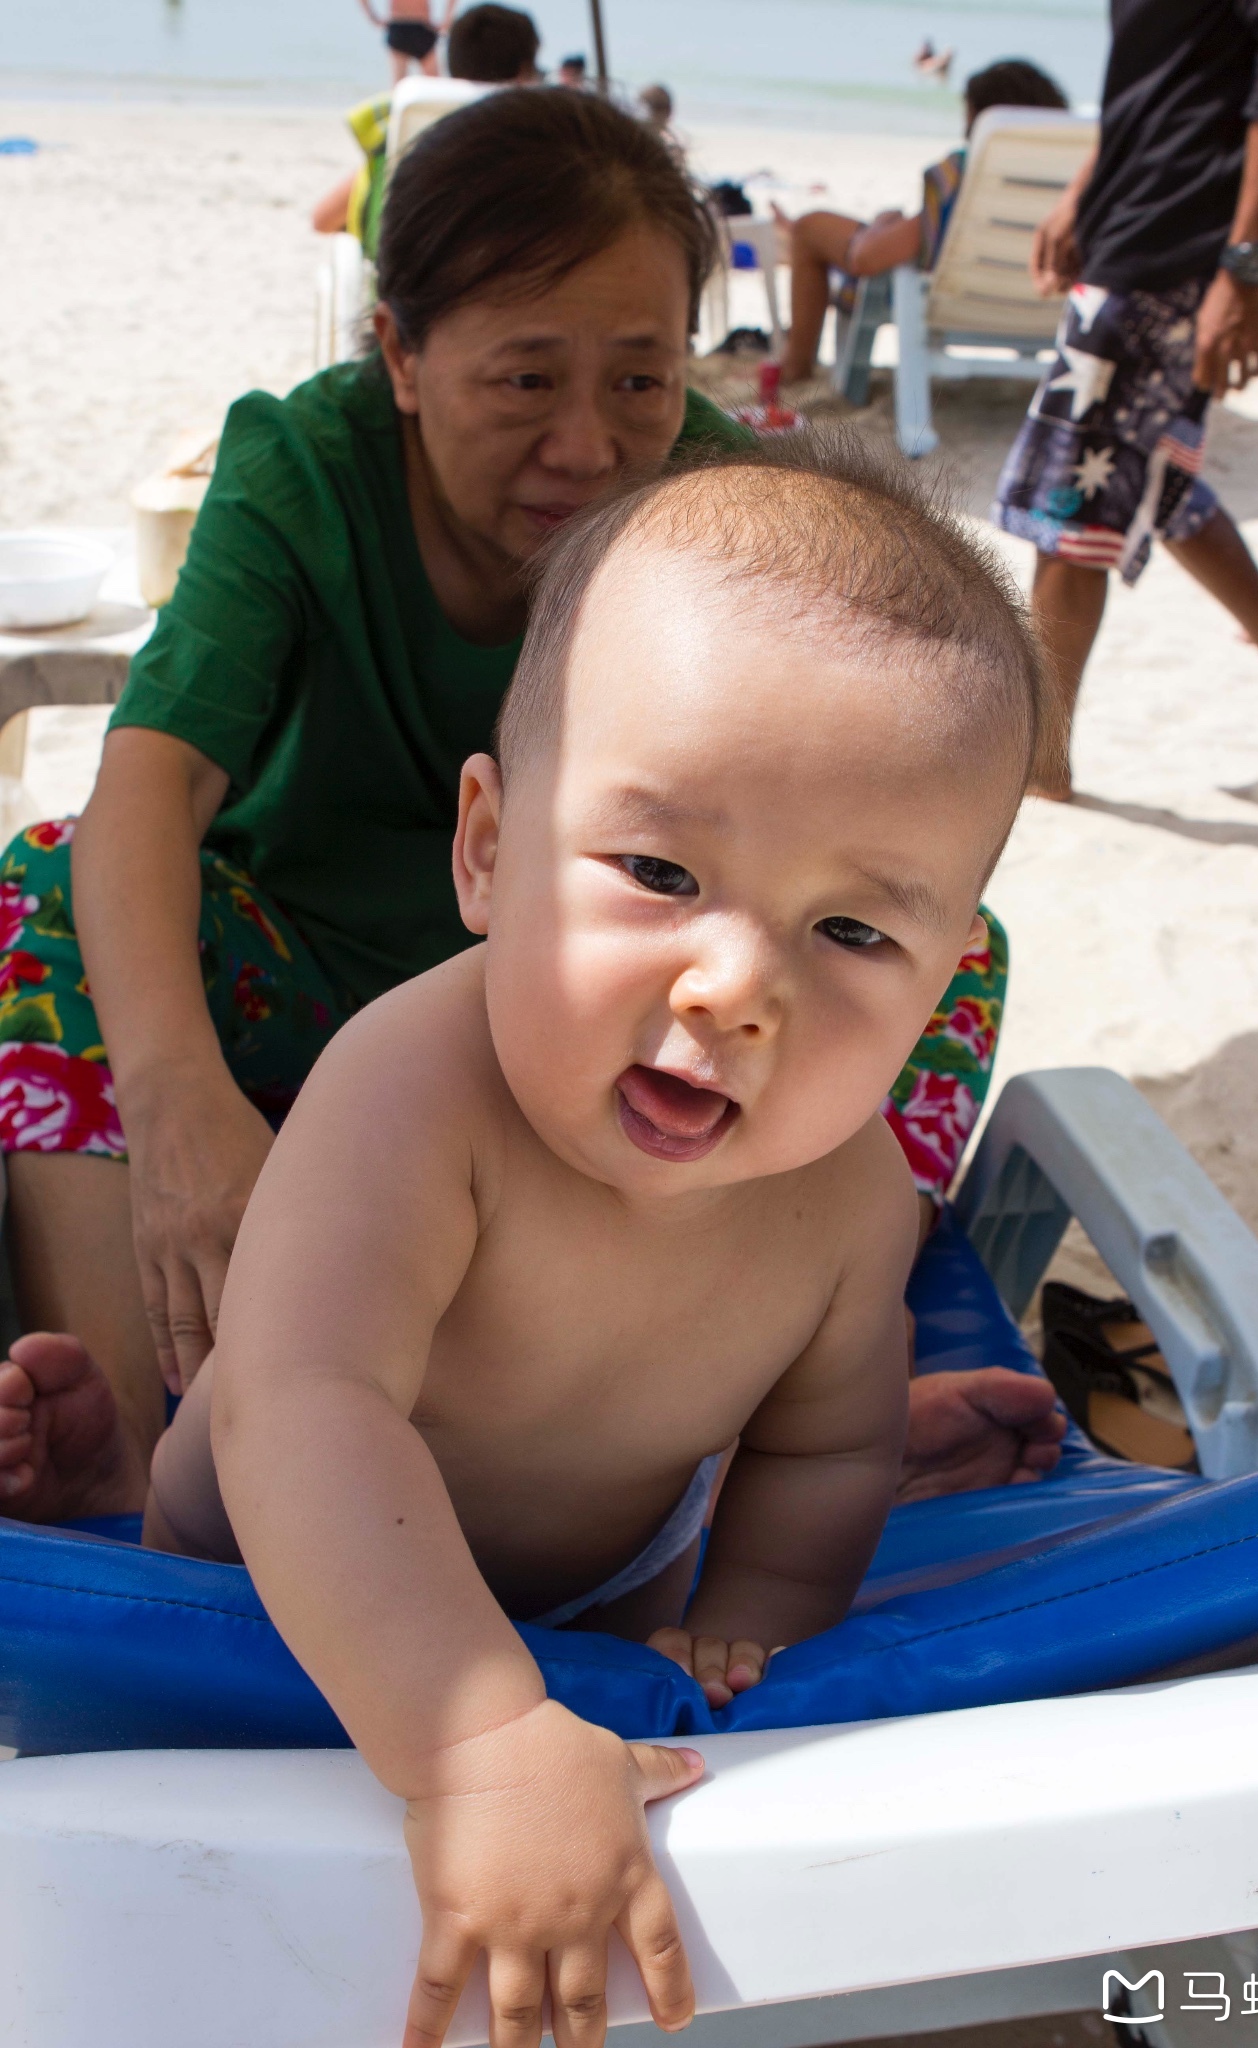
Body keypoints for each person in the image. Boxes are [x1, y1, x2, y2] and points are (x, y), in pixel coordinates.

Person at [7, 433, 1054, 2048]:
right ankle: (102, 1483)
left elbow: (826, 1450)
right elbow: (308, 1409)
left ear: (939, 983)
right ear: (486, 849)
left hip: (609, 1585)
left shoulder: (844, 1195)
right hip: (258, 1579)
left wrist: (754, 1621)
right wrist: (483, 1743)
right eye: (660, 871)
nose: (735, 985)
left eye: (853, 929)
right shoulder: (416, 1089)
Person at [0, 90, 1061, 1526]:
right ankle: (117, 1432)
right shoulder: (303, 473)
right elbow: (148, 783)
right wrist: (180, 1111)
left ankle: (790, 1377)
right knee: (46, 893)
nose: (586, 445)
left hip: (620, 1006)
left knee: (938, 946)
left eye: (637, 380)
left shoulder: (715, 505)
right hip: (315, 970)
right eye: (522, 381)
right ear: (402, 355)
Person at [993, 0, 1258, 801]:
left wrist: (1243, 269)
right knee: (1156, 477)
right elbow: (1155, 76)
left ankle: (1038, 766)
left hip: (1178, 255)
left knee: (1073, 499)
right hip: (1131, 227)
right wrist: (1082, 193)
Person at [777, 61, 1068, 386]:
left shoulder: (963, 175)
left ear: (980, 119)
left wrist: (881, 226)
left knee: (808, 228)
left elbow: (866, 258)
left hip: (958, 304)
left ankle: (794, 368)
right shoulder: (1076, 186)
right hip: (1045, 309)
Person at [312, 4, 541, 243]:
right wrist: (445, 17)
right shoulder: (537, 145)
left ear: (454, 65)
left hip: (420, 268)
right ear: (525, 73)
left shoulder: (419, 129)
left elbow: (322, 220)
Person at [356, 0, 455, 84]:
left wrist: (373, 17)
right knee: (432, 88)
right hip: (410, 26)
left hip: (410, 27)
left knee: (431, 87)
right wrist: (447, 19)